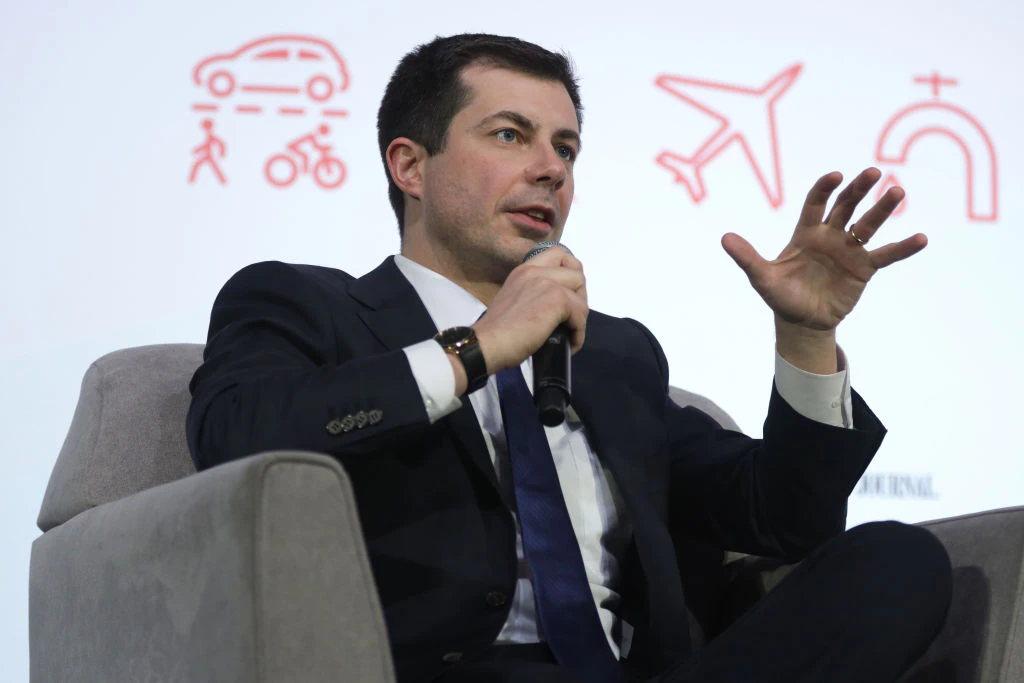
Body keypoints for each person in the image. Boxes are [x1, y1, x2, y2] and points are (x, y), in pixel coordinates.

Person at [187, 33, 953, 683]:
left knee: (897, 562)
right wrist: (480, 347)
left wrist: (805, 336)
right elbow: (238, 436)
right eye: (510, 135)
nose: (552, 169)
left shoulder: (611, 353)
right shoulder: (303, 306)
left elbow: (785, 520)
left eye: (567, 147)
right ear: (410, 167)